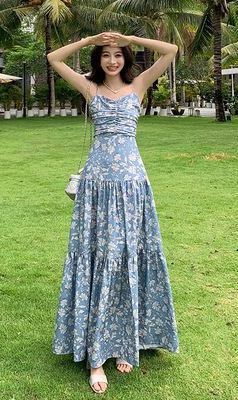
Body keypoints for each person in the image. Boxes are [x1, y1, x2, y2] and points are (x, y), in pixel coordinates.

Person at [48, 32, 179, 394]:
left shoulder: (139, 85)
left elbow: (171, 50)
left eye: (117, 54)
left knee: (128, 257)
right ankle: (95, 357)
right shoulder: (90, 89)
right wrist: (90, 39)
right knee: (99, 257)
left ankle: (125, 341)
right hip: (97, 187)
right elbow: (54, 59)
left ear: (125, 58)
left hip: (132, 185)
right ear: (98, 59)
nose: (111, 60)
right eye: (105, 55)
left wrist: (129, 37)